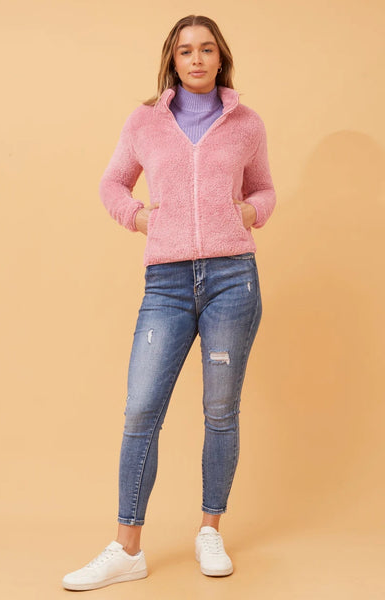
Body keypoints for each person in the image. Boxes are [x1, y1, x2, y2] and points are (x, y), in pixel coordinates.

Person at [62, 14, 276, 591]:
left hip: (233, 279)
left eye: (206, 49)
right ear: (172, 60)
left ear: (220, 57)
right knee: (141, 409)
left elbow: (264, 189)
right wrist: (138, 218)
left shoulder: (246, 124)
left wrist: (251, 212)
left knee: (220, 410)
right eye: (186, 51)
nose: (196, 59)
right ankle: (127, 548)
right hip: (167, 284)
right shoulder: (144, 123)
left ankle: (210, 529)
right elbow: (112, 183)